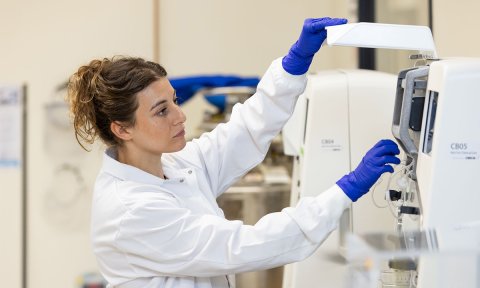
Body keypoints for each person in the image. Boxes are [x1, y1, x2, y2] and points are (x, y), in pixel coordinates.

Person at [68, 17, 400, 288]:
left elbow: (244, 132)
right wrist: (344, 191)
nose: (180, 116)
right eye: (161, 111)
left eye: (175, 101)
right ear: (122, 129)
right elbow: (244, 246)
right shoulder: (131, 210)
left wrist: (294, 65)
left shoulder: (173, 165)